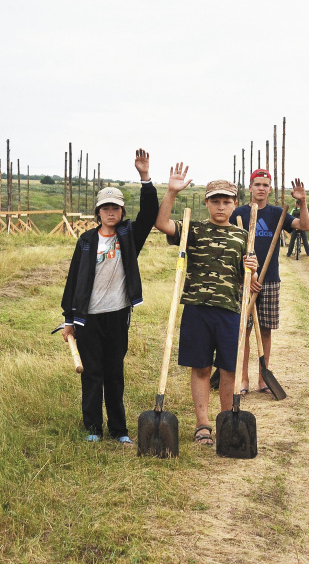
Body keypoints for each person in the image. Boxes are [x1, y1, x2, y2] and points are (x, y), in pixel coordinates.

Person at [154, 164, 259, 446]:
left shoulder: (242, 237)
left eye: (226, 201)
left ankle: (226, 421)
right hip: (197, 309)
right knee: (200, 368)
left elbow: (250, 282)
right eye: (216, 201)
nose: (221, 206)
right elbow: (162, 224)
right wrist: (171, 193)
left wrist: (253, 269)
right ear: (207, 203)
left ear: (235, 204)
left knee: (228, 369)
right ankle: (202, 425)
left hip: (229, 311)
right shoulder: (193, 230)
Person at [61, 148, 159, 444]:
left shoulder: (129, 236)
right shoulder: (87, 240)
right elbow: (73, 280)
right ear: (98, 212)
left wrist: (145, 177)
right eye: (105, 208)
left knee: (115, 374)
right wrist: (68, 320)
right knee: (92, 374)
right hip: (87, 319)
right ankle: (93, 428)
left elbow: (150, 214)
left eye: (115, 208)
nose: (111, 212)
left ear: (121, 211)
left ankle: (119, 430)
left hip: (117, 315)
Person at [229, 169, 309, 393]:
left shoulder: (277, 214)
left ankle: (263, 379)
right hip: (243, 280)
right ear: (250, 187)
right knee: (243, 331)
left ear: (270, 189)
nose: (261, 188)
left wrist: (302, 203)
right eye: (257, 184)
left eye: (265, 185)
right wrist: (246, 276)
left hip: (270, 279)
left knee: (265, 330)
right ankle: (242, 380)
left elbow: (304, 226)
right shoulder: (238, 213)